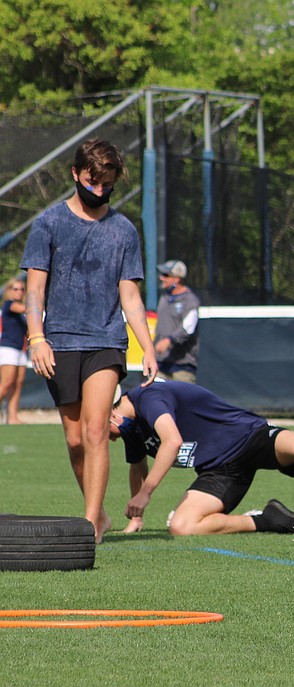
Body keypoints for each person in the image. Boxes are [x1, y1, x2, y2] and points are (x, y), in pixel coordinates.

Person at [20, 138, 157, 543]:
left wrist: (146, 348)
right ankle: (99, 516)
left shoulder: (124, 230)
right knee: (76, 439)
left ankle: (88, 523)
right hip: (58, 343)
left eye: (107, 184)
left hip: (105, 342)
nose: (99, 191)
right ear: (76, 175)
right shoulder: (48, 223)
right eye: (92, 182)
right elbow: (34, 292)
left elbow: (130, 297)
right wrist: (36, 338)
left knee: (98, 431)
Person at [111, 379, 294, 537]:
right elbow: (137, 466)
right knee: (182, 527)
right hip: (219, 468)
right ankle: (269, 520)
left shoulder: (148, 397)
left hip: (248, 436)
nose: (109, 440)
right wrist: (136, 517)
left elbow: (172, 441)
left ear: (111, 413)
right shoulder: (130, 428)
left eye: (103, 432)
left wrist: (145, 494)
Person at [154, 259, 200, 383]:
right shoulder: (164, 297)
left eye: (166, 275)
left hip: (182, 366)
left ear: (177, 279)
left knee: (184, 402)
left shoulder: (190, 300)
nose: (161, 278)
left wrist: (169, 340)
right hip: (160, 364)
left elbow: (188, 328)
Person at [0, 277, 28, 424]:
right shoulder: (9, 305)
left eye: (22, 289)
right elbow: (24, 308)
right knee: (6, 383)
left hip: (20, 350)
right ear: (8, 291)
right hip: (8, 348)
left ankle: (12, 417)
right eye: (15, 289)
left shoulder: (22, 313)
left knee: (18, 383)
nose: (19, 292)